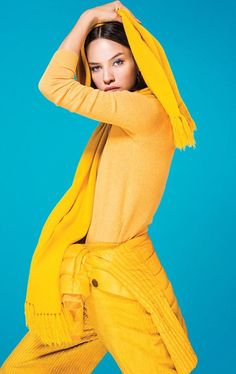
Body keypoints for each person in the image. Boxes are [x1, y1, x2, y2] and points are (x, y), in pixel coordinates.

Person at [1, 2, 198, 373]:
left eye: (118, 61)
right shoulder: (118, 119)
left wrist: (86, 19)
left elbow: (53, 85)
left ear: (139, 61)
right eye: (95, 67)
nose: (105, 76)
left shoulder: (145, 111)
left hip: (122, 282)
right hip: (84, 284)